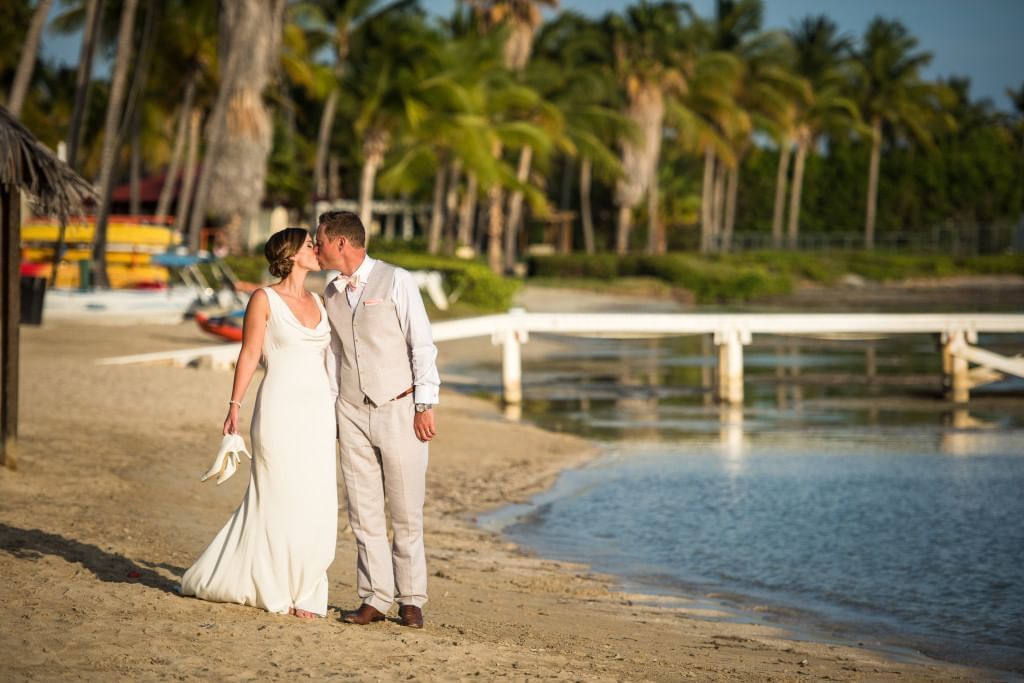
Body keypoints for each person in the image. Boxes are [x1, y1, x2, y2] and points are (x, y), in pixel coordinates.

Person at [180, 228, 337, 620]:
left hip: (318, 412)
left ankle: (306, 587)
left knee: (315, 499)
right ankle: (275, 585)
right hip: (279, 409)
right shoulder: (263, 298)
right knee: (279, 495)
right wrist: (234, 405)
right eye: (308, 245)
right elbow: (250, 354)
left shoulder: (319, 300)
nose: (316, 250)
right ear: (291, 254)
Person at [315, 210, 439, 629]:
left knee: (405, 511)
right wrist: (334, 411)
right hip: (350, 410)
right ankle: (374, 597)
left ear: (342, 244)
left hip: (399, 407)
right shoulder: (330, 292)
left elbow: (421, 343)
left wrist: (425, 404)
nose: (316, 248)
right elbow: (333, 356)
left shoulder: (396, 279)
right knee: (362, 511)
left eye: (320, 241)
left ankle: (411, 599)